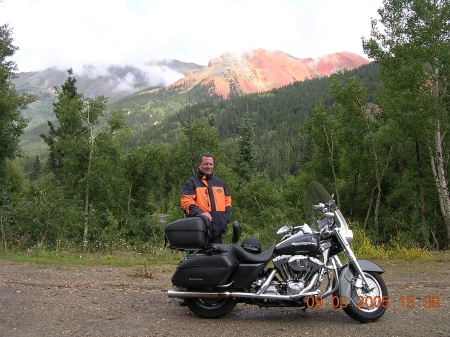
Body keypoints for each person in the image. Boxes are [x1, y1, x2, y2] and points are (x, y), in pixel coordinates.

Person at [181, 153, 232, 244]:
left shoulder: (219, 183)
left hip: (218, 231)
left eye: (210, 164)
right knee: (199, 258)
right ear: (199, 165)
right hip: (199, 230)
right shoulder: (191, 183)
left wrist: (226, 217)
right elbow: (187, 202)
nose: (208, 166)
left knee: (217, 257)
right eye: (205, 164)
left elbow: (227, 200)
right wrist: (200, 214)